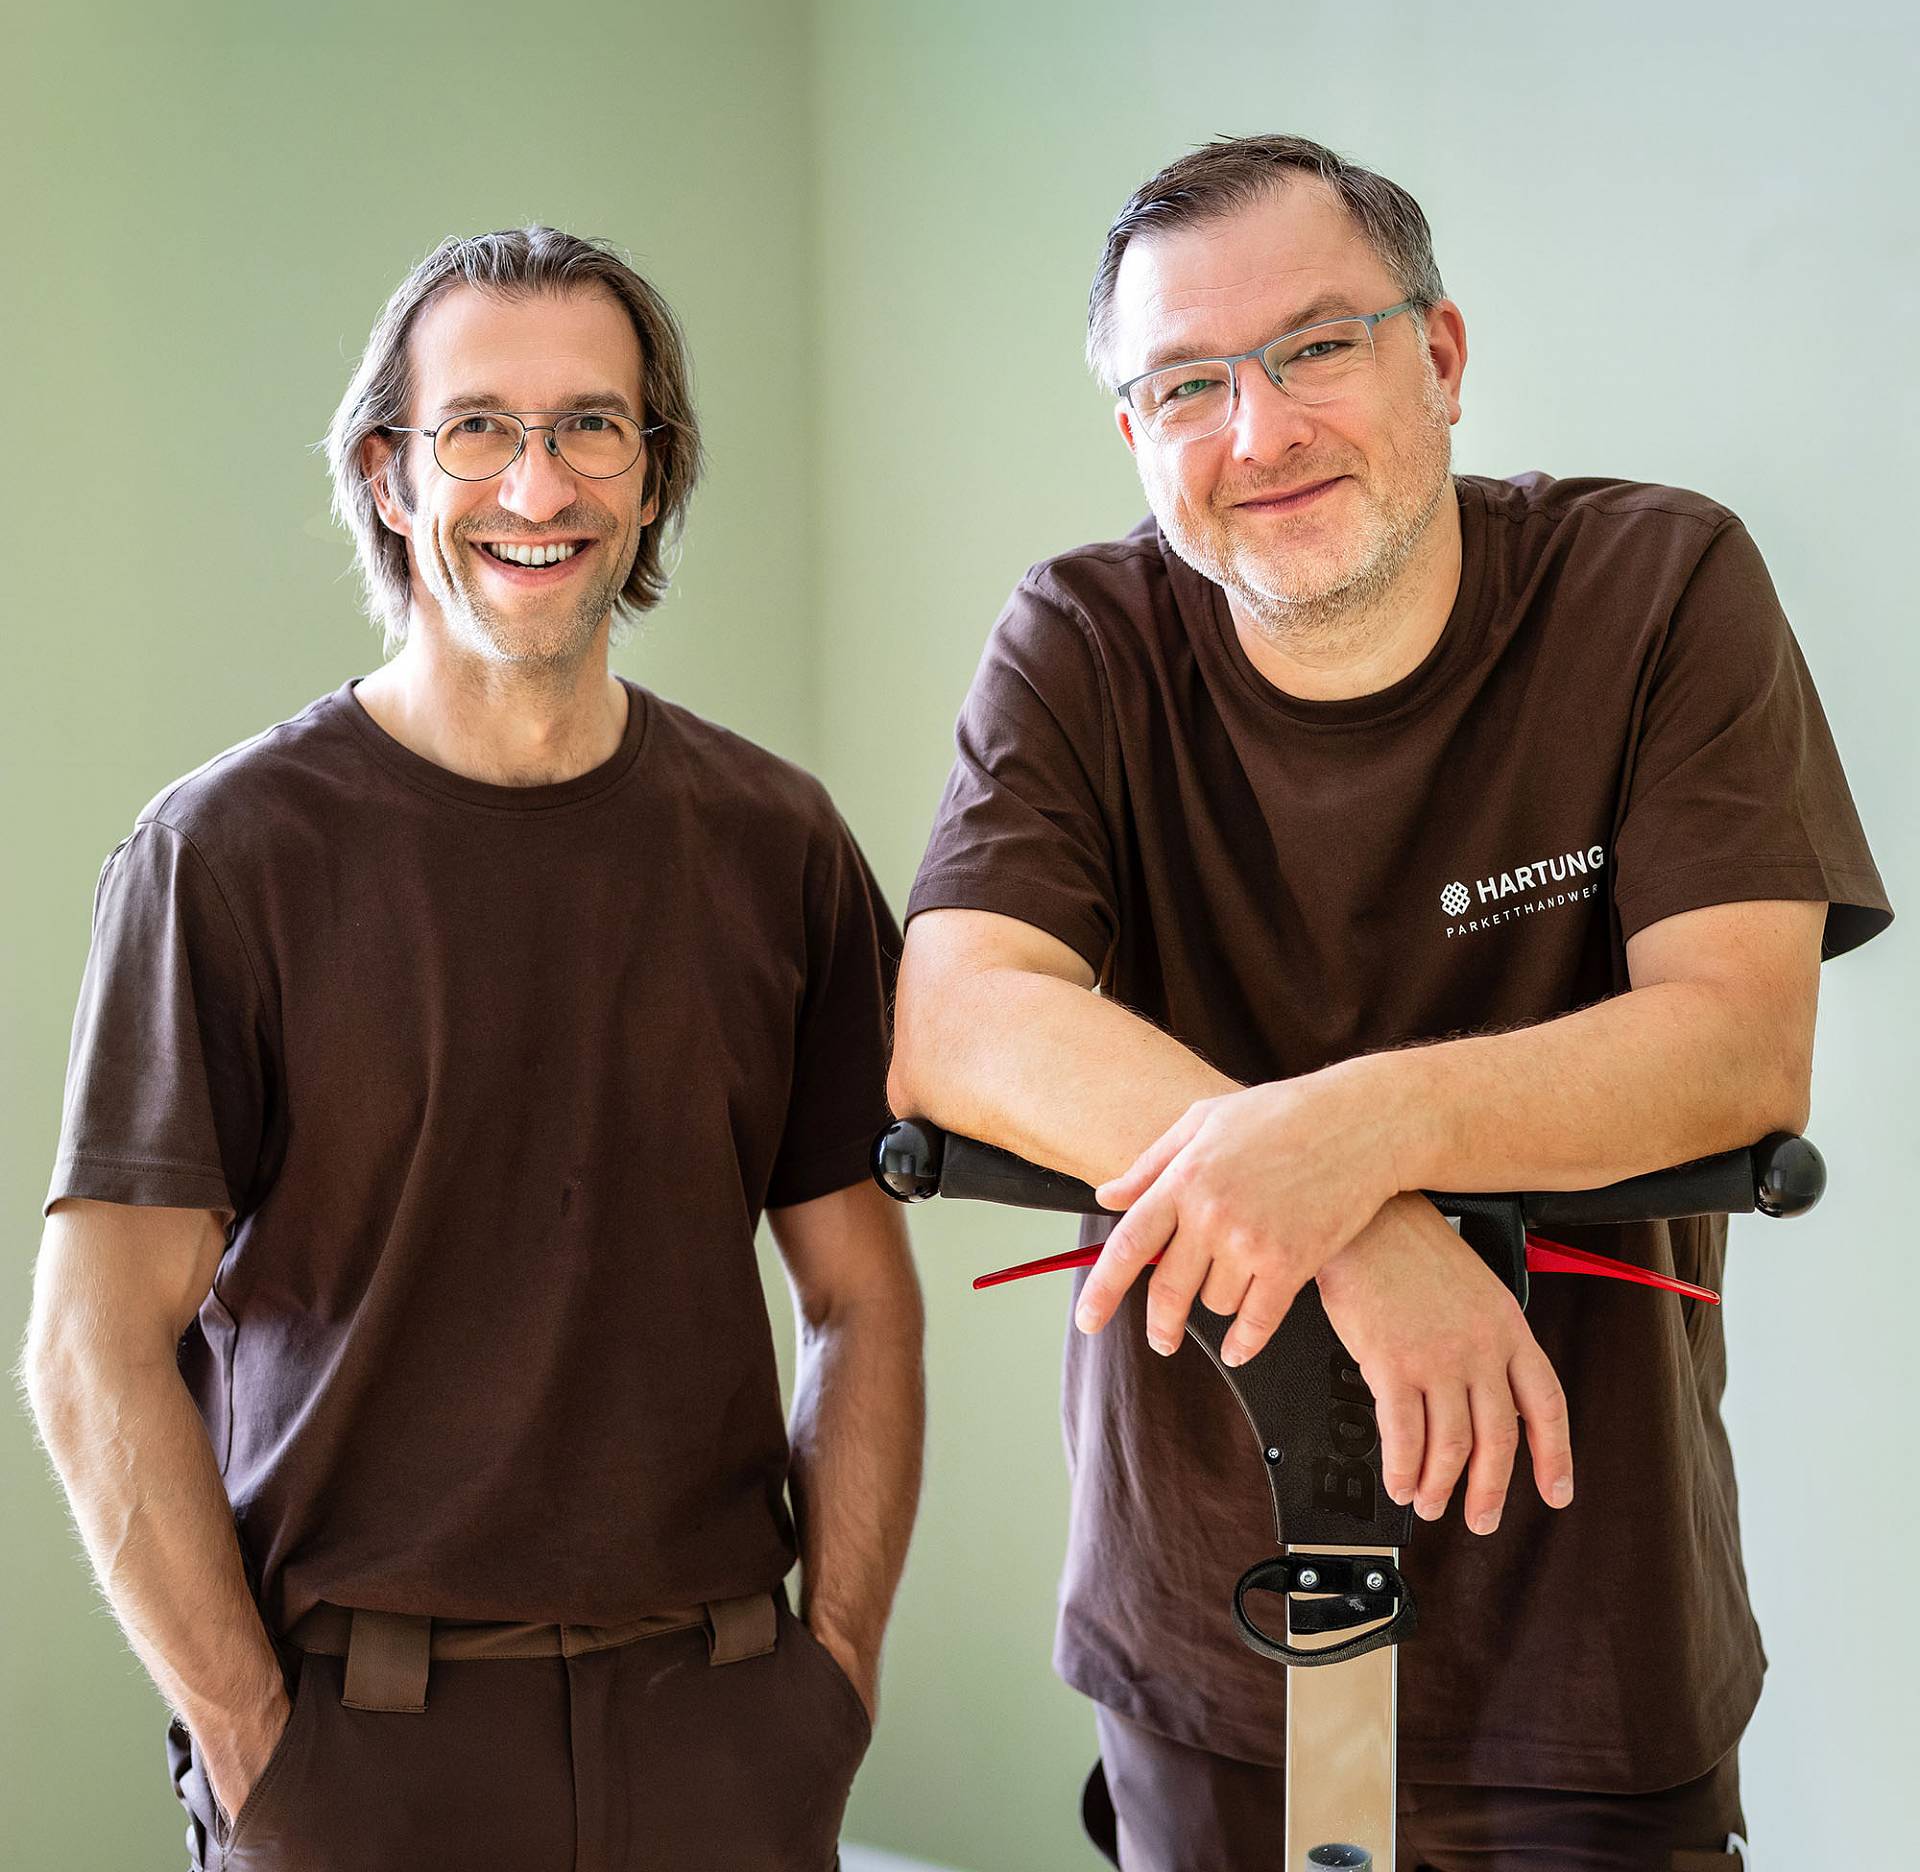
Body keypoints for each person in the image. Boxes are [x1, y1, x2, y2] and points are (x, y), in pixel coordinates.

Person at [887, 135, 1890, 1870]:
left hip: (1585, 1641)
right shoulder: (1082, 640)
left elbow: (1736, 1041)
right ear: (1135, 435)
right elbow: (961, 1018)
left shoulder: (1656, 593)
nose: (1257, 430)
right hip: (1201, 1644)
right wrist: (1367, 1234)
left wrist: (1348, 1137)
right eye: (1186, 383)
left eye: (1314, 348)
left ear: (1439, 355)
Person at [24, 226, 923, 1871]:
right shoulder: (223, 857)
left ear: (654, 480)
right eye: (479, 429)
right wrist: (254, 1751)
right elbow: (90, 1351)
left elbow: (860, 1297)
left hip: (722, 1735)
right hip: (358, 1766)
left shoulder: (773, 843)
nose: (540, 483)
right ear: (389, 474)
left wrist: (835, 1680)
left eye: (594, 425)